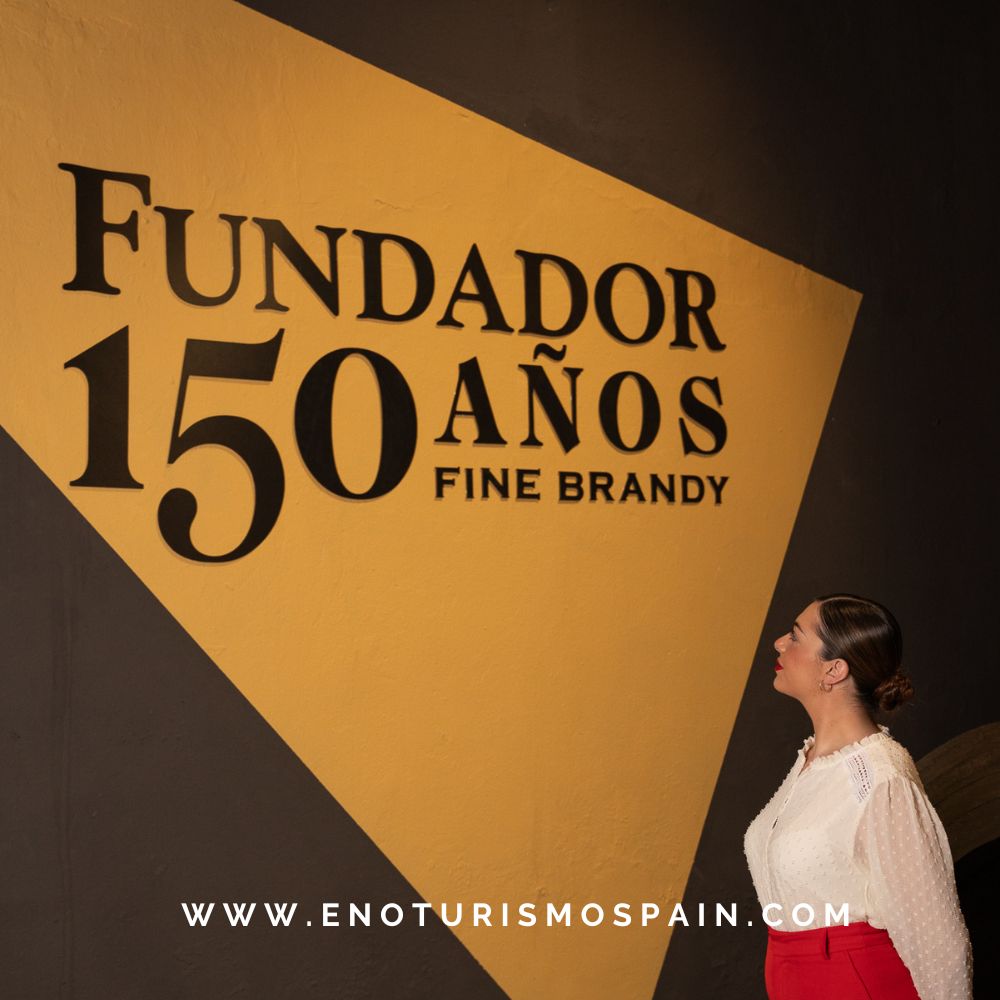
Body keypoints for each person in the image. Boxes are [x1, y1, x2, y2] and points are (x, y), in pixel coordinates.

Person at [743, 594, 972, 999]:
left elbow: (939, 941)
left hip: (856, 982)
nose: (779, 643)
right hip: (791, 977)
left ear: (833, 669)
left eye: (795, 636)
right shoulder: (811, 762)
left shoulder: (882, 778)